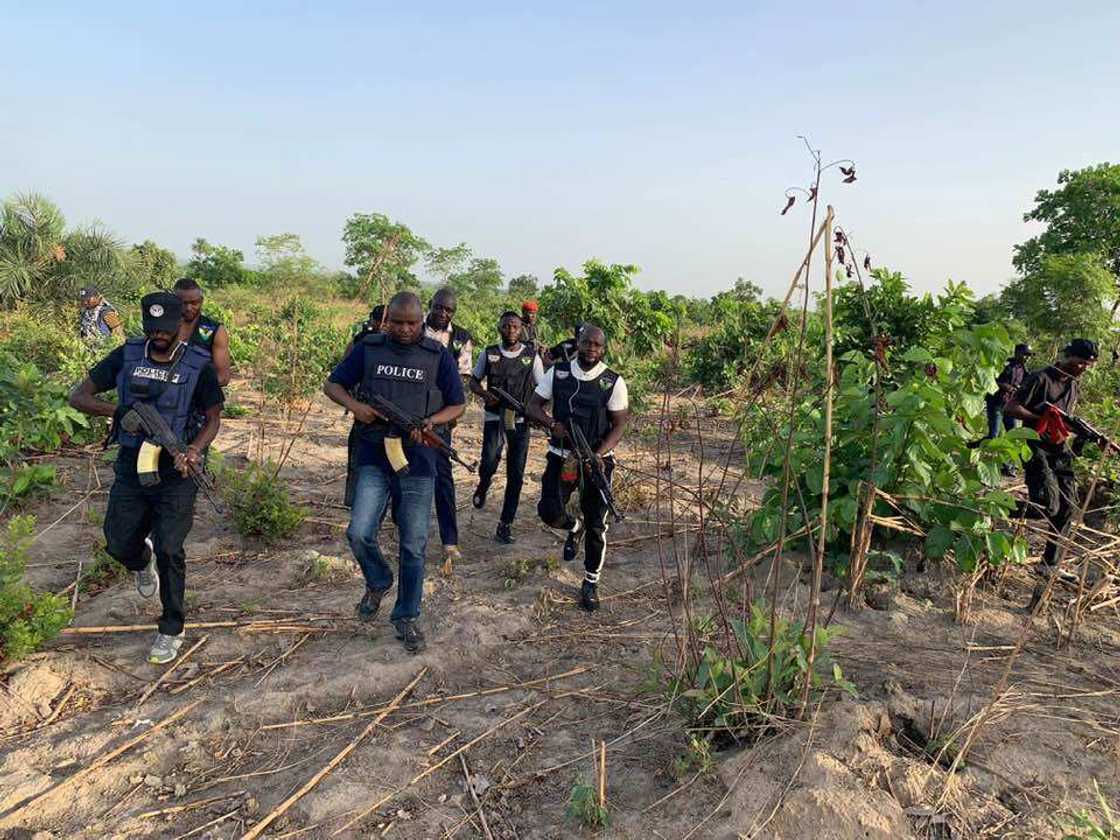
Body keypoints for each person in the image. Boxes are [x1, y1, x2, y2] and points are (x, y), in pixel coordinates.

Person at [69, 292, 223, 664]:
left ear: (178, 326)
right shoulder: (127, 354)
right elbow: (78, 397)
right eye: (151, 328)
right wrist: (119, 411)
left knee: (171, 547)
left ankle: (172, 628)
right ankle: (140, 562)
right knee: (118, 542)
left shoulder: (197, 364)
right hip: (131, 463)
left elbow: (214, 417)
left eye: (166, 329)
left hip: (177, 467)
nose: (159, 335)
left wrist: (194, 450)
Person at [324, 292, 465, 653]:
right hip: (374, 454)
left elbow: (458, 405)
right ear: (387, 320)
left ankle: (406, 615)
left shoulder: (437, 356)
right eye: (397, 322)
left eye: (412, 323)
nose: (404, 329)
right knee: (358, 532)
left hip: (418, 462)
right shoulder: (370, 349)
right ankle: (378, 578)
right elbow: (333, 384)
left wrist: (430, 422)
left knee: (414, 544)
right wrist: (357, 407)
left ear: (422, 321)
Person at [527, 324, 629, 611]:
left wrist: (598, 453)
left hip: (597, 460)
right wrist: (552, 425)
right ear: (578, 343)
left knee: (598, 524)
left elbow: (620, 424)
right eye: (586, 343)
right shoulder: (558, 373)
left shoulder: (612, 381)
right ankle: (574, 526)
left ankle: (590, 582)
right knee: (548, 511)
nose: (591, 349)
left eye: (597, 345)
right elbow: (533, 406)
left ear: (603, 349)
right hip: (560, 455)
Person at [1004, 338, 1099, 580]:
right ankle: (997, 510)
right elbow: (1011, 408)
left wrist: (1090, 438)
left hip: (1058, 448)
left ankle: (1049, 565)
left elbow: (1066, 419)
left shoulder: (1073, 386)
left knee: (1068, 506)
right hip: (1034, 444)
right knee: (1047, 505)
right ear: (1069, 357)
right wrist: (1041, 418)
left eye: (1088, 365)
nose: (1084, 369)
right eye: (1081, 363)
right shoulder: (1040, 378)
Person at [469, 311, 545, 543]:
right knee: (490, 461)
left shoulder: (531, 356)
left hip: (520, 421)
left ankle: (505, 524)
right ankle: (484, 484)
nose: (510, 331)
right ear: (499, 328)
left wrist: (535, 413)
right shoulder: (489, 353)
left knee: (516, 473)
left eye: (514, 326)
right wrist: (484, 394)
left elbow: (543, 390)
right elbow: (473, 381)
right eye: (506, 326)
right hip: (495, 417)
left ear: (522, 328)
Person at [422, 287, 473, 570]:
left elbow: (463, 379)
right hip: (410, 411)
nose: (443, 313)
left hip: (441, 416)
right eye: (439, 307)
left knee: (443, 477)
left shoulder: (461, 338)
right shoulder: (414, 328)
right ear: (431, 305)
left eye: (449, 310)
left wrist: (451, 413)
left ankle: (449, 541)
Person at [173, 278, 232, 386]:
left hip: (198, 396)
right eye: (183, 303)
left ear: (201, 301)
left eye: (194, 303)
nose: (189, 308)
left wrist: (188, 386)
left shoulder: (215, 330)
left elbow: (223, 377)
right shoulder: (163, 327)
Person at [985, 343, 1032, 439]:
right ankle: (972, 447)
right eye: (1025, 354)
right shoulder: (1004, 365)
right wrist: (1005, 386)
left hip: (1009, 406)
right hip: (996, 403)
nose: (1027, 358)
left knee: (1013, 435)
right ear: (1017, 353)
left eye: (1029, 356)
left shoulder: (1024, 370)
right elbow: (990, 379)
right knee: (993, 435)